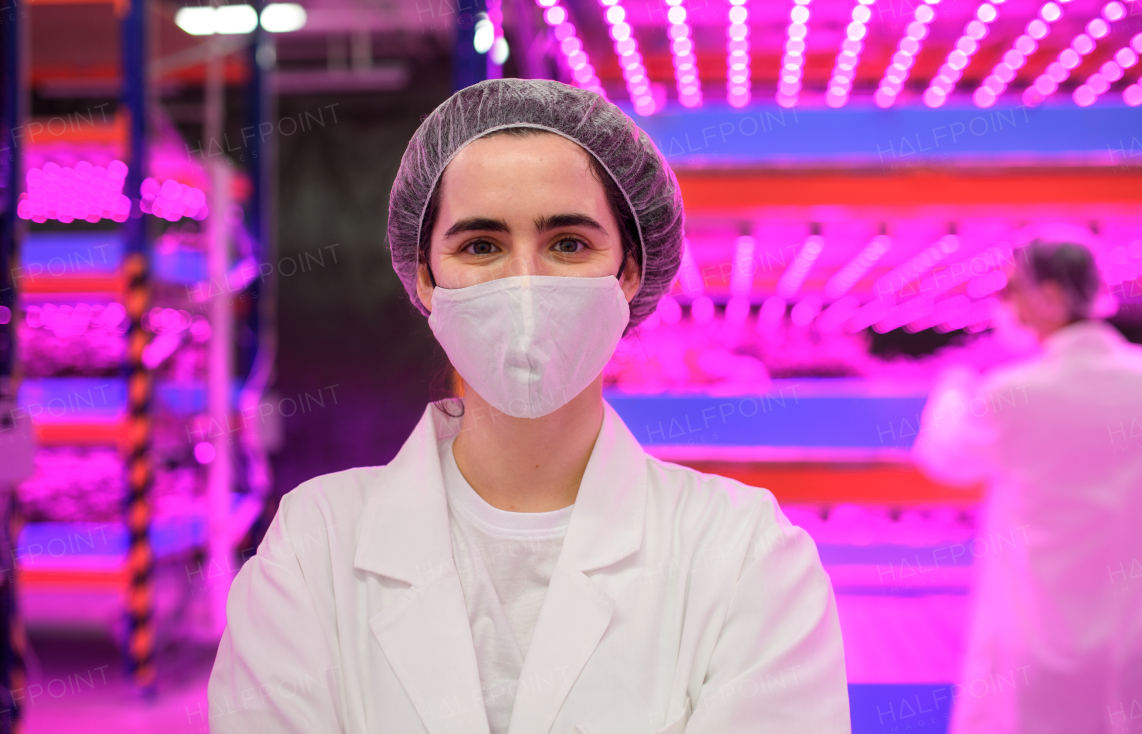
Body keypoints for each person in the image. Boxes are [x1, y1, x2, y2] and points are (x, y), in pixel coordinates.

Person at [207, 79, 850, 734]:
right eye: (480, 246)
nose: (524, 284)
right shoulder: (314, 547)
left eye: (568, 243)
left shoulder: (745, 555)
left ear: (629, 271)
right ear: (425, 277)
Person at [912, 240, 1142, 734]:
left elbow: (946, 457)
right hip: (1137, 636)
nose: (1003, 303)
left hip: (1037, 640)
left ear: (1048, 294)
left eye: (1011, 288)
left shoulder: (1013, 392)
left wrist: (951, 389)